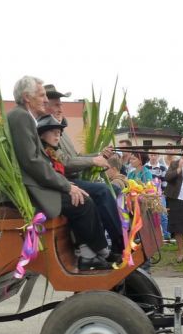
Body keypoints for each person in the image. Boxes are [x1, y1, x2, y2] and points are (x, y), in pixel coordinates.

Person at [8, 76, 111, 270]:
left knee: (82, 197)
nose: (45, 100)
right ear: (27, 97)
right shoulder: (20, 116)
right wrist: (65, 185)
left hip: (38, 185)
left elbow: (40, 162)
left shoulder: (24, 116)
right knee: (82, 200)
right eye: (41, 95)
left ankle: (94, 253)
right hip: (33, 190)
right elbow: (32, 162)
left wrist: (67, 184)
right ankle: (97, 252)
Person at [40, 85, 124, 260]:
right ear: (44, 104)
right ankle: (119, 244)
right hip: (63, 182)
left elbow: (75, 156)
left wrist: (99, 154)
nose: (60, 108)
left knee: (113, 190)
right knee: (102, 191)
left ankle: (112, 241)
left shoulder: (58, 129)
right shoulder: (43, 130)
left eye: (60, 104)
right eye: (56, 104)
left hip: (68, 180)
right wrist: (93, 160)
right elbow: (65, 162)